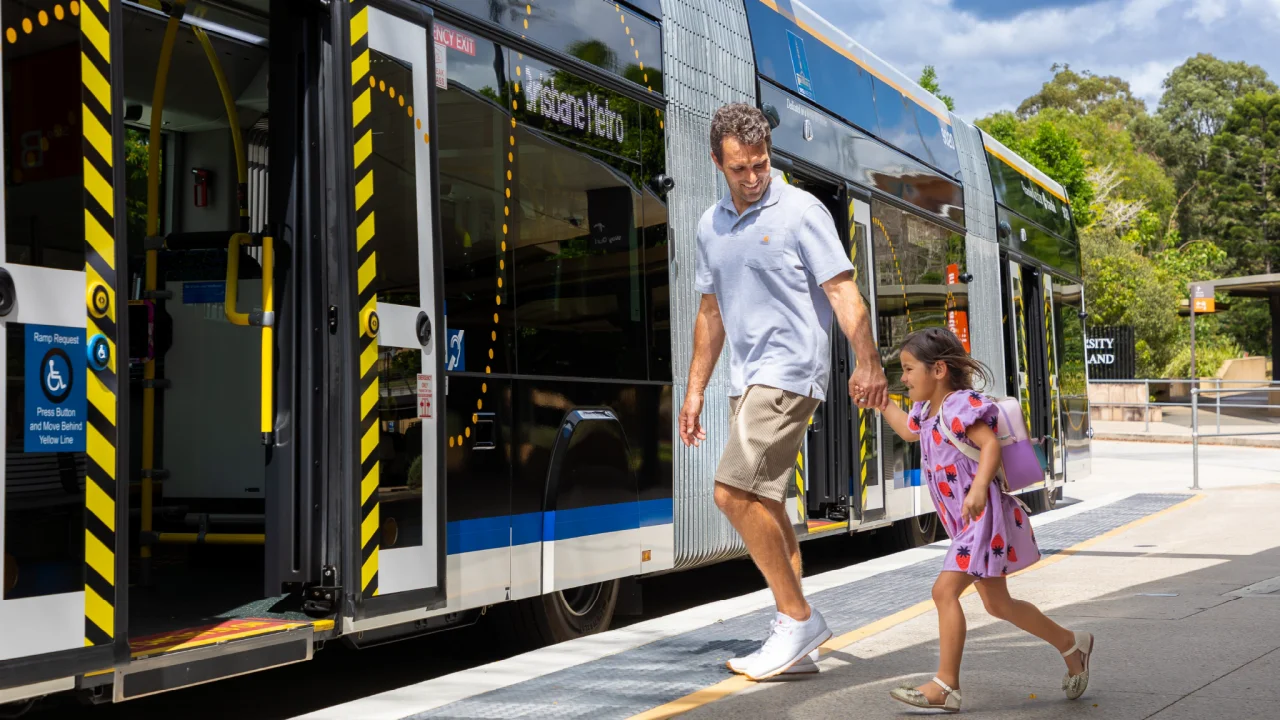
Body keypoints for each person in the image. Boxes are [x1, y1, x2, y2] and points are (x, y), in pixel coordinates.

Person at [679, 103, 887, 681]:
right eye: (740, 167)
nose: (752, 177)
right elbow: (710, 313)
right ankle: (796, 643)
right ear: (716, 160)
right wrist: (694, 391)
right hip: (743, 380)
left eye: (761, 164)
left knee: (730, 493)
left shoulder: (801, 211)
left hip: (790, 372)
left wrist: (868, 363)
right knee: (766, 504)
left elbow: (844, 294)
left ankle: (799, 617)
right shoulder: (709, 226)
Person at [876, 327, 1095, 712]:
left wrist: (978, 489)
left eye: (909, 369)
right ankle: (1071, 643)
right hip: (965, 521)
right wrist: (880, 403)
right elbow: (909, 432)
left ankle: (946, 686)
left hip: (982, 516)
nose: (904, 378)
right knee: (998, 605)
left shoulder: (960, 405)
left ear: (938, 369)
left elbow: (990, 444)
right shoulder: (926, 411)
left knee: (943, 592)